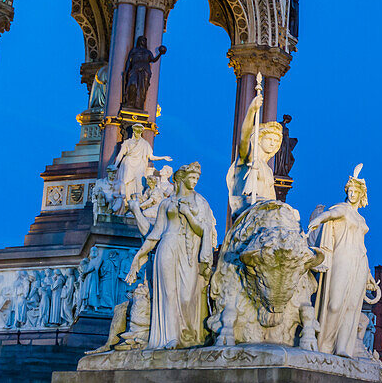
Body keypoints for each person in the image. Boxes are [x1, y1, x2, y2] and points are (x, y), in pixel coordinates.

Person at [125, 162, 217, 348]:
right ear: (181, 179)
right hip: (167, 246)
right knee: (168, 293)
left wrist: (189, 215)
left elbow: (204, 230)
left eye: (197, 178)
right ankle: (171, 337)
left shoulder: (200, 202)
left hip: (189, 252)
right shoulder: (166, 204)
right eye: (192, 177)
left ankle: (187, 336)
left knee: (187, 296)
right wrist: (138, 258)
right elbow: (155, 234)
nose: (195, 181)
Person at [308, 164, 381, 357]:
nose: (351, 194)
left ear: (361, 194)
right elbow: (330, 214)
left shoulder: (362, 221)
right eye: (349, 190)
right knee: (335, 304)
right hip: (341, 258)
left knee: (352, 307)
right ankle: (325, 344)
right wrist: (319, 220)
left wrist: (369, 275)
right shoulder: (342, 209)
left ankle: (342, 347)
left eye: (355, 191)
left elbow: (362, 248)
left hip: (359, 262)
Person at [226, 89, 282, 217]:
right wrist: (251, 110)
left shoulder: (267, 170)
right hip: (249, 214)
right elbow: (244, 137)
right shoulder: (249, 159)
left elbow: (272, 199)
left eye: (276, 140)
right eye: (269, 139)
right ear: (259, 139)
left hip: (265, 216)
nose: (272, 143)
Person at [114, 124, 171, 212]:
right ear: (134, 131)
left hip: (139, 165)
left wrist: (163, 157)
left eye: (139, 131)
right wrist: (114, 166)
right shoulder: (127, 142)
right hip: (128, 163)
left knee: (138, 184)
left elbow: (151, 157)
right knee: (125, 182)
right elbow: (120, 155)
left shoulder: (144, 144)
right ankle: (124, 203)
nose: (138, 133)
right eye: (136, 131)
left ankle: (136, 203)